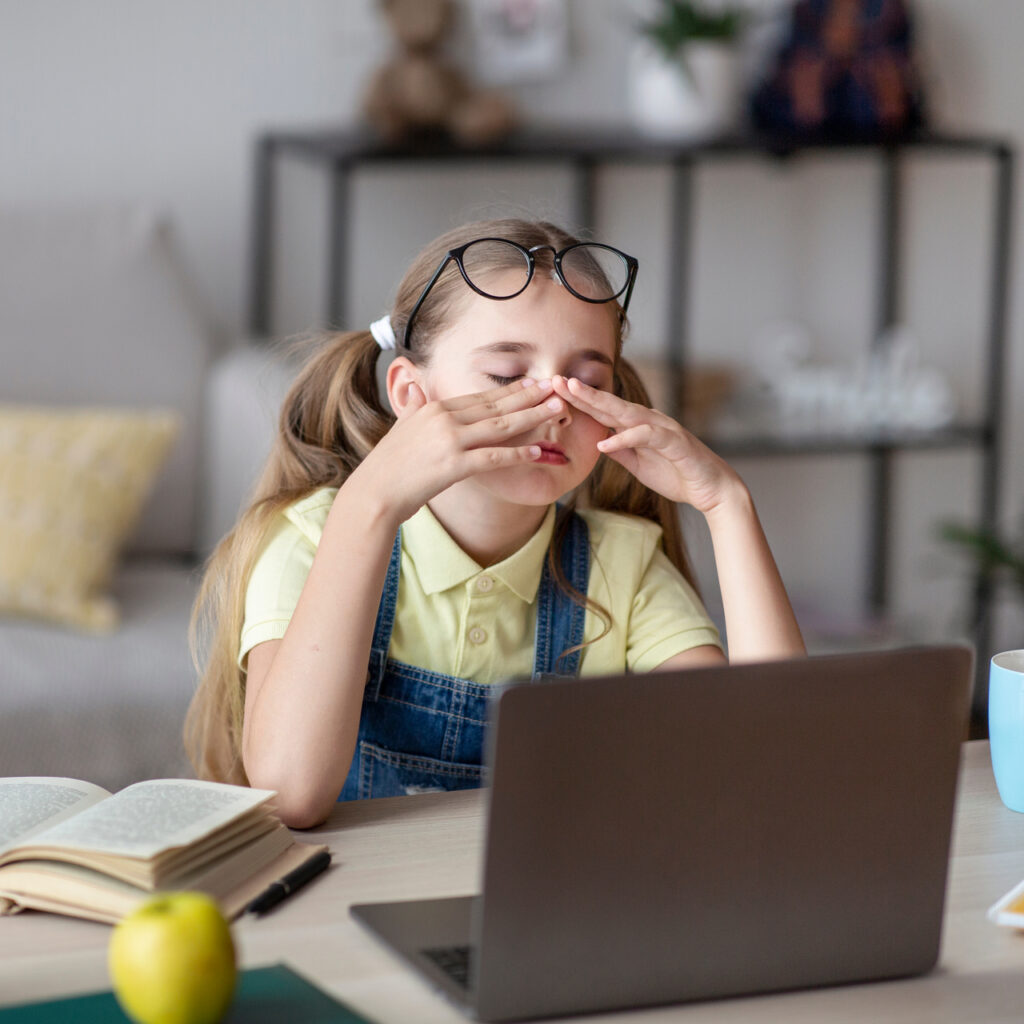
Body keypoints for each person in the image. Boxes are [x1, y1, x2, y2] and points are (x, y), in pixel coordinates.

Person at [186, 218, 805, 828]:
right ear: (410, 396)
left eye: (588, 382)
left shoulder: (623, 565)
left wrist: (728, 506)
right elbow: (290, 793)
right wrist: (369, 505)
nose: (556, 407)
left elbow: (764, 769)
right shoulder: (313, 538)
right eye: (508, 377)